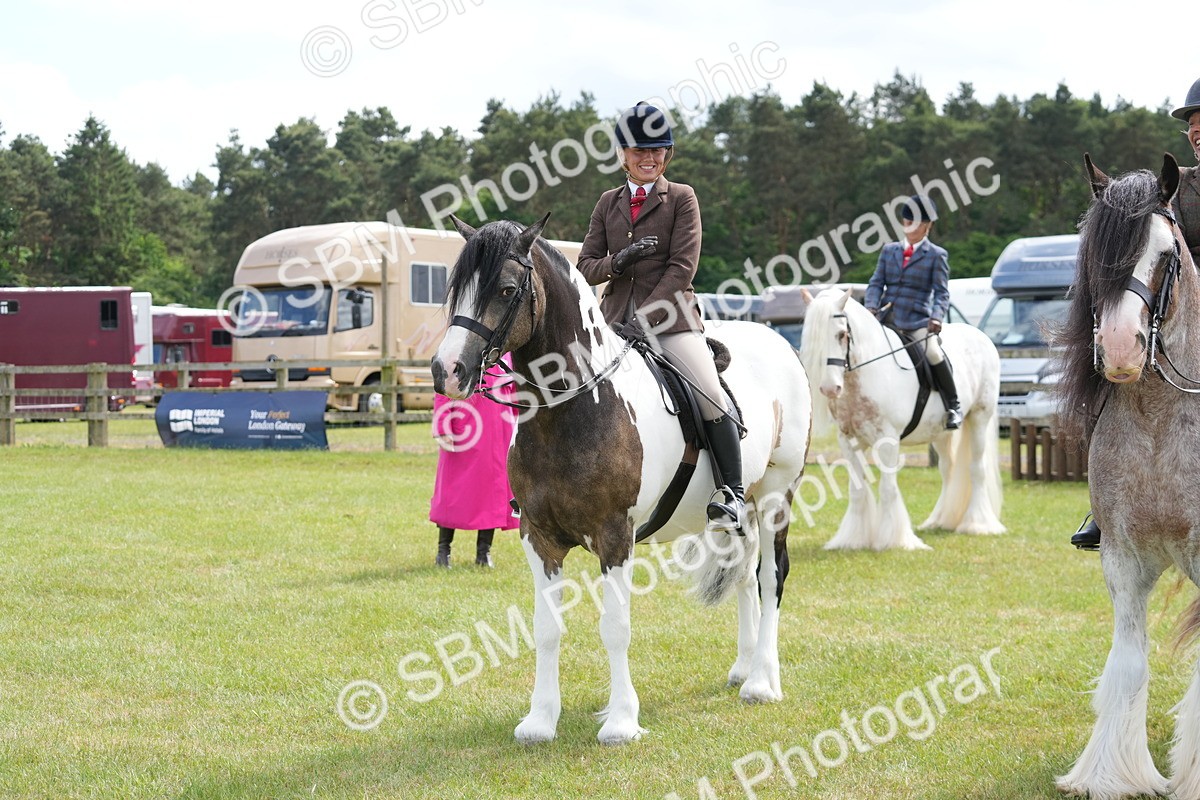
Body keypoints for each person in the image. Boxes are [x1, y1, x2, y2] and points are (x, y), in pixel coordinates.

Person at [576, 101, 745, 532]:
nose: (648, 158)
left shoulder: (682, 198)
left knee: (710, 393)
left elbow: (682, 269)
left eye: (656, 150)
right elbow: (586, 266)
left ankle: (733, 493)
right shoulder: (607, 202)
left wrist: (645, 320)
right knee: (567, 382)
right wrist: (618, 261)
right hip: (613, 322)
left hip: (671, 321)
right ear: (623, 155)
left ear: (667, 154)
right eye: (639, 151)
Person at [1072, 76, 1200, 550]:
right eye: (1194, 125)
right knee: (1114, 376)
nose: (1198, 132)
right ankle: (1105, 506)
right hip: (1180, 309)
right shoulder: (1175, 186)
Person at [864, 194, 962, 430]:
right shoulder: (889, 251)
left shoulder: (936, 255)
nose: (909, 228)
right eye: (907, 222)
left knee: (934, 353)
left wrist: (936, 317)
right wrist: (871, 307)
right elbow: (876, 283)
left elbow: (942, 293)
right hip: (887, 320)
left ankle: (953, 406)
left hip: (917, 321)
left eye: (915, 224)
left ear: (927, 226)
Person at [429, 364, 519, 567]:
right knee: (452, 490)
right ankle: (443, 550)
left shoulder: (507, 356)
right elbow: (444, 385)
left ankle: (484, 552)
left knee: (491, 491)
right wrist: (443, 426)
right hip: (464, 428)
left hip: (499, 430)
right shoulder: (458, 349)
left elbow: (515, 393)